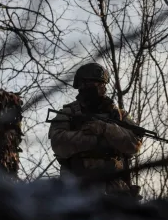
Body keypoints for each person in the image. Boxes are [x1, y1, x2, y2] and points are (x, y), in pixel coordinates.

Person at [48, 62, 142, 198]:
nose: (98, 88)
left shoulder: (119, 115)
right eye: (93, 84)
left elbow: (134, 144)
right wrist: (93, 139)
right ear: (81, 86)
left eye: (101, 84)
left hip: (115, 189)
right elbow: (58, 144)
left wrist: (106, 129)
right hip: (76, 187)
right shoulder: (68, 113)